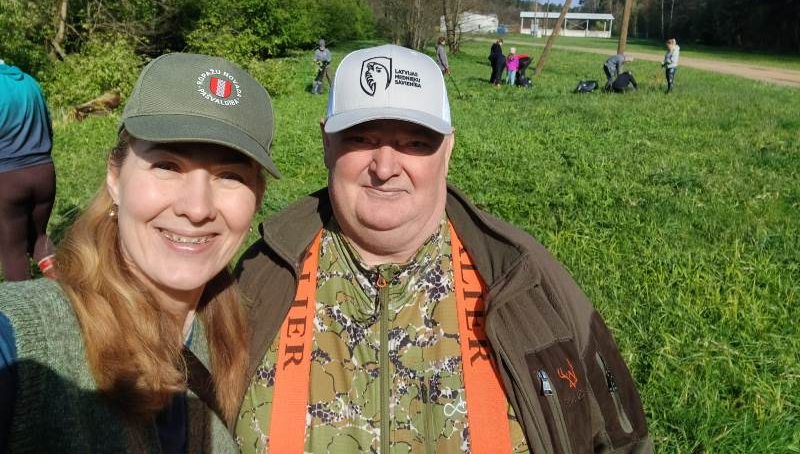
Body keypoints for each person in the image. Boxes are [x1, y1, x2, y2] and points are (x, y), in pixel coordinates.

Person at [235, 44, 652, 454]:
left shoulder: (524, 280)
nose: (385, 167)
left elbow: (624, 441)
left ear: (448, 149)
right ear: (327, 143)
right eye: (360, 138)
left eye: (415, 143)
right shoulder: (262, 277)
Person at [0, 52, 281, 453]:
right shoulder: (31, 339)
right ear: (115, 177)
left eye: (230, 176)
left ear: (257, 199)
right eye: (167, 165)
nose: (197, 208)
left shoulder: (230, 331)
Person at [0, 59, 57, 281]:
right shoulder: (30, 82)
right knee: (38, 237)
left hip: (8, 180)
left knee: (13, 251)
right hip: (44, 173)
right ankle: (65, 289)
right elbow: (49, 129)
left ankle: (25, 302)